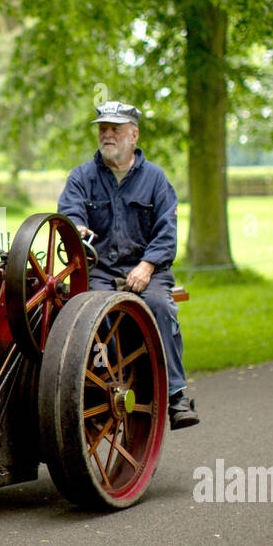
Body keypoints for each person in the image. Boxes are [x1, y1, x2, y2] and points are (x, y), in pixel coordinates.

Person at [57, 100, 199, 429]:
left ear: (133, 135)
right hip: (100, 271)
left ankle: (176, 396)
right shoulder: (81, 177)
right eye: (103, 129)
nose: (107, 134)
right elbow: (71, 216)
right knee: (89, 311)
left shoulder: (156, 179)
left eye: (115, 129)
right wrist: (76, 228)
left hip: (149, 270)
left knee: (160, 309)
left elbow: (167, 233)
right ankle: (99, 390)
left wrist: (147, 266)